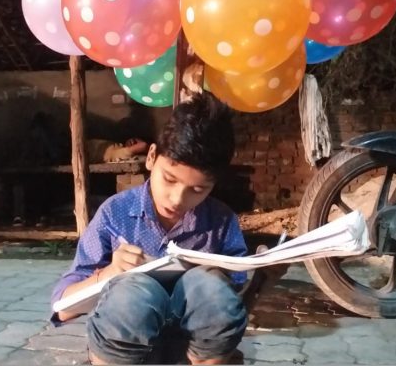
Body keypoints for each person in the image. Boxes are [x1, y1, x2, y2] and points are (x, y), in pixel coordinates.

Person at [50, 93, 281, 365]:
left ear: (213, 185)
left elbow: (232, 310)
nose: (177, 199)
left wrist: (263, 280)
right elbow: (61, 309)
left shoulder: (221, 222)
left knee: (210, 287)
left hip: (197, 352)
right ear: (151, 157)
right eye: (169, 179)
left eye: (197, 189)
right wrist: (110, 273)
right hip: (124, 353)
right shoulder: (115, 213)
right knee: (132, 294)